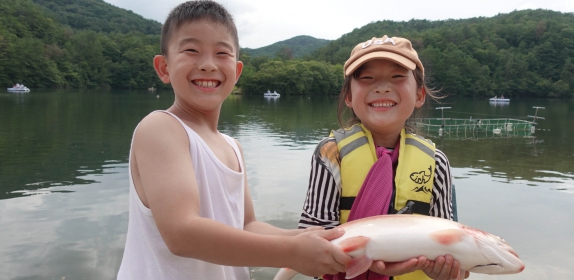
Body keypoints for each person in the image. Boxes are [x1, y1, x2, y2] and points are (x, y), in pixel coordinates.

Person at [117, 1, 350, 279]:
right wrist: (290, 250)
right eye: (191, 50)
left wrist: (306, 237)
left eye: (222, 53)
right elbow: (182, 233)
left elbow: (247, 225)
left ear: (237, 72)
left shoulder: (232, 147)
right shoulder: (160, 128)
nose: (207, 64)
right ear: (164, 67)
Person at [297, 35, 470, 280]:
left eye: (397, 77)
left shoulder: (437, 162)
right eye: (367, 78)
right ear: (348, 96)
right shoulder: (330, 153)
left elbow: (449, 243)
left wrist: (449, 270)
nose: (381, 87)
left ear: (420, 95)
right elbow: (309, 241)